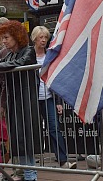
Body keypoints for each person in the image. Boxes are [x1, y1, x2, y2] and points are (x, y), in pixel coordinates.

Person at [0, 20, 39, 181]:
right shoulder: (9, 55)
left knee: (26, 138)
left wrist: (0, 65)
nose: (4, 41)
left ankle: (31, 176)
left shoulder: (29, 51)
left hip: (26, 100)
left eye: (7, 37)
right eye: (2, 38)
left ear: (16, 37)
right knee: (18, 139)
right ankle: (25, 174)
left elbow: (22, 63)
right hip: (14, 101)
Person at [31, 26, 74, 169]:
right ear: (34, 39)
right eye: (40, 37)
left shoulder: (50, 55)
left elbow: (56, 78)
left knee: (54, 127)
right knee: (32, 129)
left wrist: (59, 101)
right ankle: (31, 160)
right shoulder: (29, 55)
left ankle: (62, 159)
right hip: (33, 98)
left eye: (45, 37)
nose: (43, 40)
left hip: (49, 97)